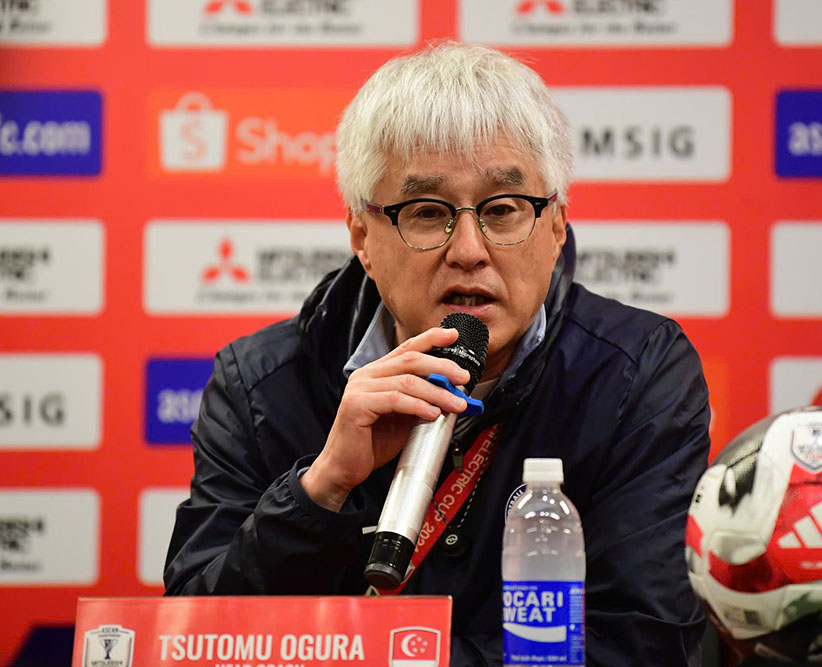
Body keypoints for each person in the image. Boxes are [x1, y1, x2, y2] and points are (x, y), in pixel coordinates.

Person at [164, 41, 711, 666]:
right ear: (363, 236)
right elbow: (195, 640)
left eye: (504, 210)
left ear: (556, 225)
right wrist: (319, 491)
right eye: (428, 213)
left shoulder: (635, 373)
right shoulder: (260, 385)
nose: (470, 250)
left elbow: (639, 644)